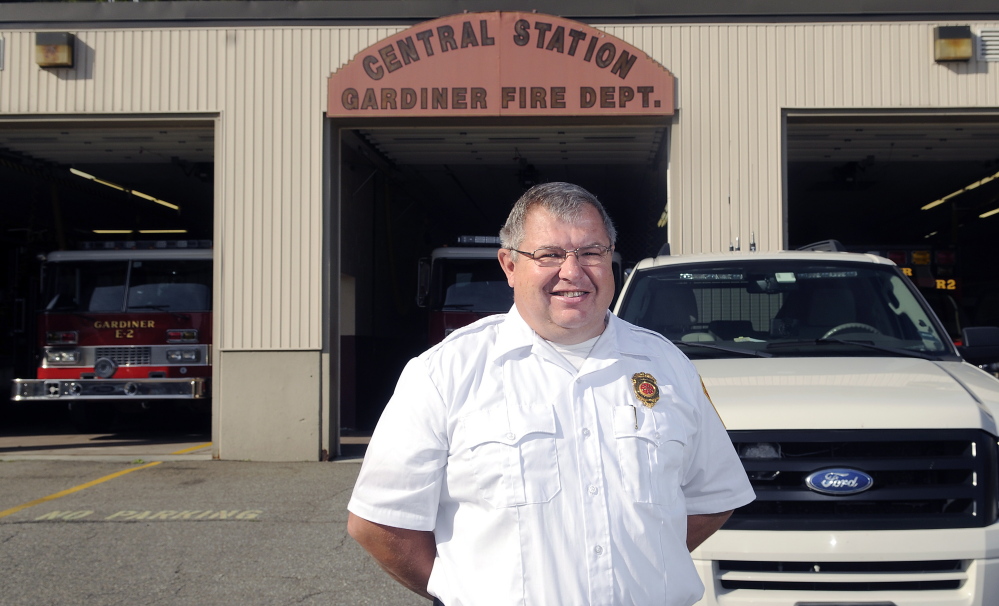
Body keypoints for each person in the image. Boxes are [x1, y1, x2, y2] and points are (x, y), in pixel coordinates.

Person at [347, 182, 755, 605]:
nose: (573, 271)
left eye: (592, 252)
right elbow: (379, 524)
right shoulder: (443, 373)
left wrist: (647, 564)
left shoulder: (667, 365)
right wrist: (463, 591)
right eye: (549, 255)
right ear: (509, 265)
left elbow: (713, 496)